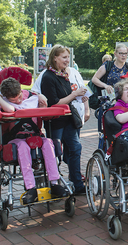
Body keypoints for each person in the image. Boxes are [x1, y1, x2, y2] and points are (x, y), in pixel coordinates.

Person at [0, 78, 68, 203]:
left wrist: (42, 102)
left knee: (48, 143)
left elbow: (44, 112)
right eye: (14, 100)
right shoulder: (3, 102)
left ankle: (54, 183)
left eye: (19, 96)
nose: (18, 101)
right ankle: (30, 187)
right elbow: (10, 110)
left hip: (34, 135)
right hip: (16, 138)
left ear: (21, 91)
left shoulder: (31, 97)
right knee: (22, 147)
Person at [41, 44, 86, 195]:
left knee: (75, 148)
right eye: (64, 57)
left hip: (68, 120)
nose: (68, 60)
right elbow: (54, 102)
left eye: (68, 57)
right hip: (55, 121)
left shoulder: (63, 75)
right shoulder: (48, 77)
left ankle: (77, 183)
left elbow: (67, 97)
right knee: (55, 153)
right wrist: (74, 94)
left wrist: (79, 95)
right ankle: (54, 184)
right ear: (55, 58)